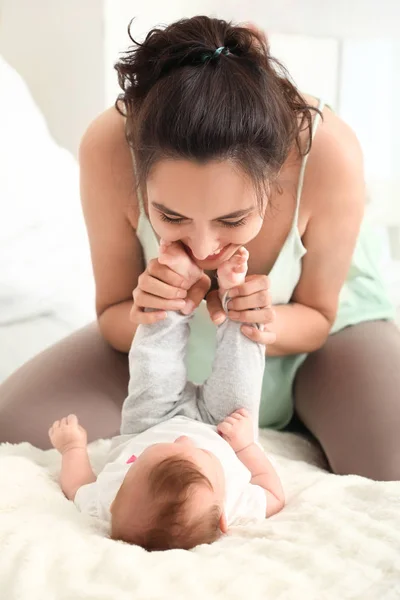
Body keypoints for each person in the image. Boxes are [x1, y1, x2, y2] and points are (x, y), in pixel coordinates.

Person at [0, 16, 399, 481]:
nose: (205, 247)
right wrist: (155, 312)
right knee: (17, 429)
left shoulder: (328, 152)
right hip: (164, 345)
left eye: (232, 220)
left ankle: (311, 409)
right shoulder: (109, 147)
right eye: (171, 217)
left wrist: (254, 318)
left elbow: (317, 319)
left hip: (313, 343)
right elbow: (112, 313)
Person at [48, 244, 285, 551]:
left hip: (149, 423)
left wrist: (72, 448)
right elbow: (273, 492)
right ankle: (236, 298)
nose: (183, 440)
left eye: (161, 452)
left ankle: (176, 291)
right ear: (224, 520)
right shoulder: (236, 504)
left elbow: (77, 483)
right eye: (200, 456)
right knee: (241, 373)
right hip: (227, 432)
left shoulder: (106, 501)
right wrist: (246, 446)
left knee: (153, 361)